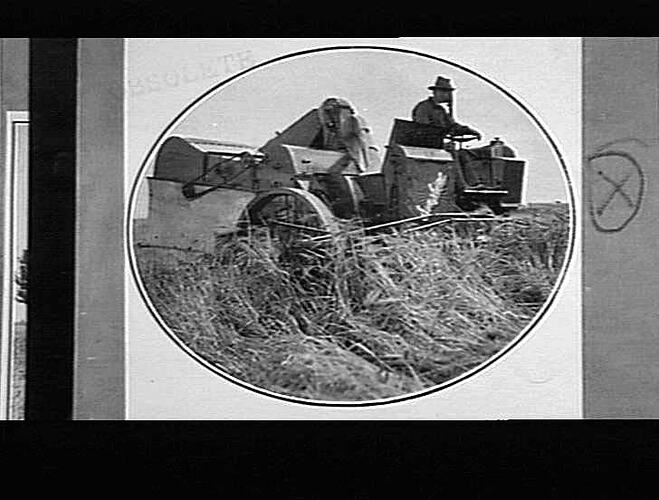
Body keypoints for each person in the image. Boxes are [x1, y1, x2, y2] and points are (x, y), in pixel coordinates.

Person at [411, 76, 481, 141]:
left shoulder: (441, 110)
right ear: (435, 92)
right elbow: (424, 129)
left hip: (438, 144)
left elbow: (453, 126)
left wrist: (470, 131)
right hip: (427, 144)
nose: (446, 95)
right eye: (443, 91)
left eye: (447, 92)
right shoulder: (424, 107)